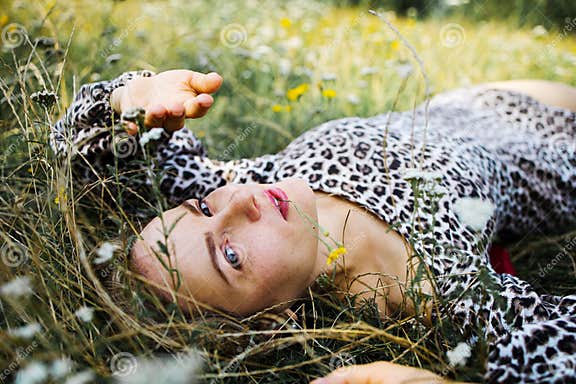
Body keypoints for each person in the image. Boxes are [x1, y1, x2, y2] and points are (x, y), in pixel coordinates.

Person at [50, 69, 576, 383]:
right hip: (556, 146)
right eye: (230, 255)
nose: (241, 205)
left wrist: (130, 98)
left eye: (203, 209)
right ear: (271, 325)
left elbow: (76, 152)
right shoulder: (437, 292)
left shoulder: (249, 179)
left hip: (468, 100)